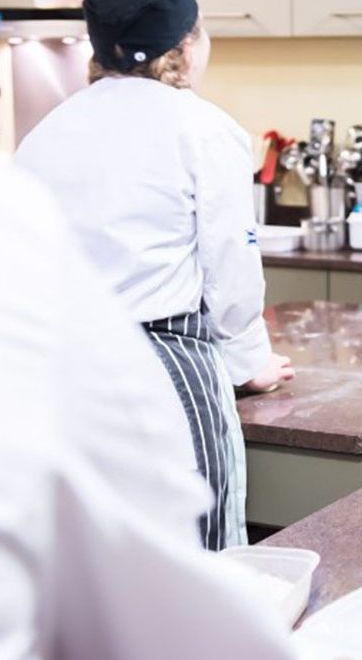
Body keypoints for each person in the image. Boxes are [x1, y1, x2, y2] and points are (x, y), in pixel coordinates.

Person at [15, 0, 294, 551]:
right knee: (201, 552)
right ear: (186, 46)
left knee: (97, 557)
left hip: (63, 375)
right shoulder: (205, 129)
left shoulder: (44, 134)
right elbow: (232, 272)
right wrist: (249, 363)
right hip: (167, 372)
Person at [0, 161, 298, 660]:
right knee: (205, 538)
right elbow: (146, 520)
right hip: (172, 352)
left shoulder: (43, 141)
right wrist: (248, 359)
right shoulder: (17, 221)